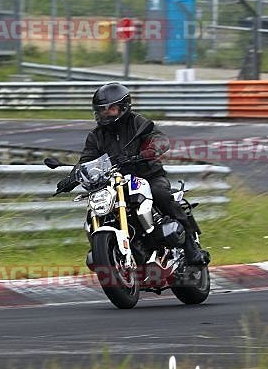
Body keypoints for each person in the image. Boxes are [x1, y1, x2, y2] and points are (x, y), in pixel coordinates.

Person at [56, 82, 210, 266]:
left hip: (148, 176)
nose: (104, 113)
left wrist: (150, 150)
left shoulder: (138, 123)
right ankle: (109, 252)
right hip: (114, 182)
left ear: (123, 107)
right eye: (101, 110)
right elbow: (86, 160)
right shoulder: (96, 136)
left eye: (109, 109)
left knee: (161, 194)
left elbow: (159, 139)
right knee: (96, 211)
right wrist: (71, 178)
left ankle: (191, 248)